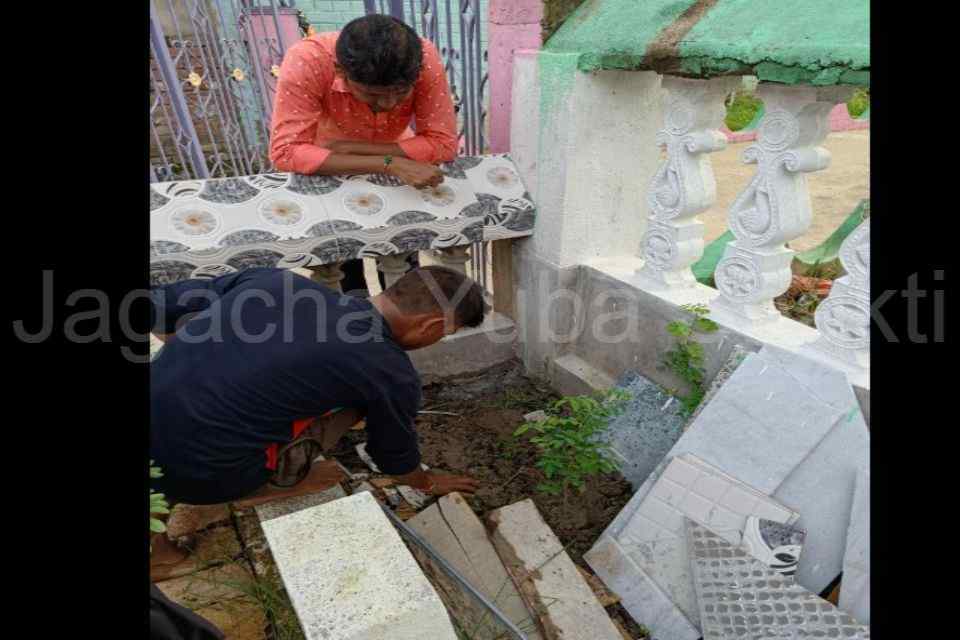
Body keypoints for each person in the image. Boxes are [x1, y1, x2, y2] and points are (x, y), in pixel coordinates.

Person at [149, 266, 482, 572]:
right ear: (431, 326)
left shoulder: (274, 282)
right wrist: (424, 482)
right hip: (207, 475)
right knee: (354, 407)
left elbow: (160, 305)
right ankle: (267, 483)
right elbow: (391, 453)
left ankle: (159, 552)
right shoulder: (386, 368)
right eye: (445, 333)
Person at [269, 14, 458, 295]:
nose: (388, 104)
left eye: (401, 92)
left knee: (402, 265)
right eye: (372, 94)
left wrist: (357, 150)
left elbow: (443, 144)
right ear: (339, 70)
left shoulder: (424, 57)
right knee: (345, 271)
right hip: (330, 171)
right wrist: (389, 163)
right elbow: (285, 152)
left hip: (372, 161)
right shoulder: (307, 60)